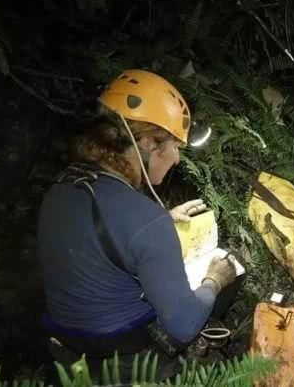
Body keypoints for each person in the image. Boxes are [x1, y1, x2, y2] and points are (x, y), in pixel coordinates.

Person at [37, 69, 235, 379]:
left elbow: (98, 238)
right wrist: (214, 279)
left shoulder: (64, 187)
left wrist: (162, 221)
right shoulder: (146, 219)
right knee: (225, 280)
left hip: (67, 349)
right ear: (145, 142)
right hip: (126, 358)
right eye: (174, 146)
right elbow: (182, 325)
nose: (178, 159)